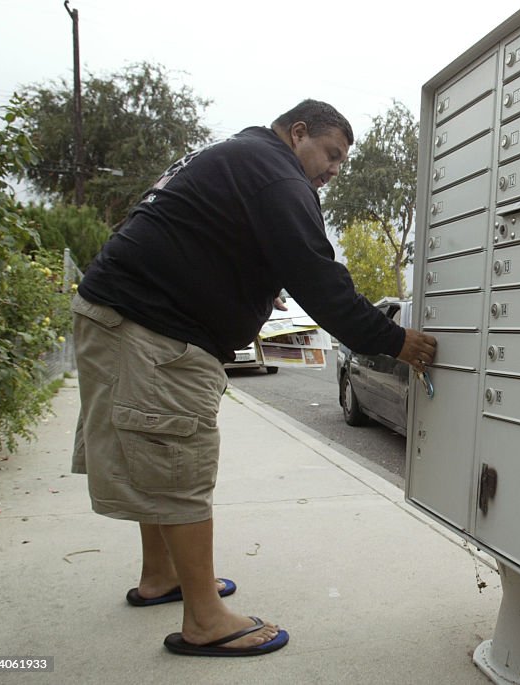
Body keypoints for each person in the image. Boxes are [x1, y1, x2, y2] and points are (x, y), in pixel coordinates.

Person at [71, 99, 437, 657]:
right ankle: (204, 620)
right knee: (178, 458)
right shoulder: (275, 174)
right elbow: (317, 276)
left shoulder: (239, 157)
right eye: (331, 155)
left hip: (125, 316)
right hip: (153, 328)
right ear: (298, 134)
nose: (334, 170)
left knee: (155, 452)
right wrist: (395, 340)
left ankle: (161, 575)